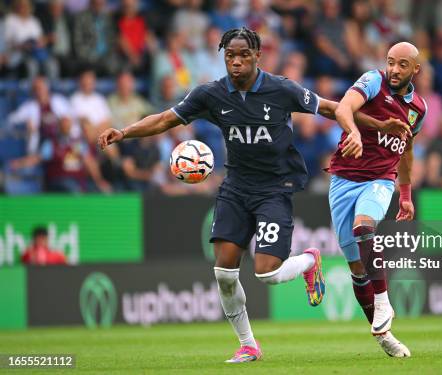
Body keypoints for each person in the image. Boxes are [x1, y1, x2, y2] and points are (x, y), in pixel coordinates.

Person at [98, 27, 403, 363]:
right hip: (236, 187)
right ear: (224, 57)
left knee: (267, 273)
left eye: (244, 55)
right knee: (223, 273)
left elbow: (331, 108)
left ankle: (307, 261)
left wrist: (377, 125)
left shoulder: (281, 89)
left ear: (257, 55)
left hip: (275, 188)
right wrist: (124, 132)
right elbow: (165, 120)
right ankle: (248, 344)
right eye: (230, 55)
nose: (237, 61)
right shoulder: (211, 95)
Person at [328, 42, 427, 357]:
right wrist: (354, 132)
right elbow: (344, 107)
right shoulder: (372, 81)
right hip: (343, 179)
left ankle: (384, 300)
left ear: (415, 70)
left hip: (380, 180)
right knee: (357, 270)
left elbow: (406, 147)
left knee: (364, 227)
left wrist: (406, 194)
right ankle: (384, 336)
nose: (394, 70)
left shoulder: (419, 110)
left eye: (401, 65)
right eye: (390, 62)